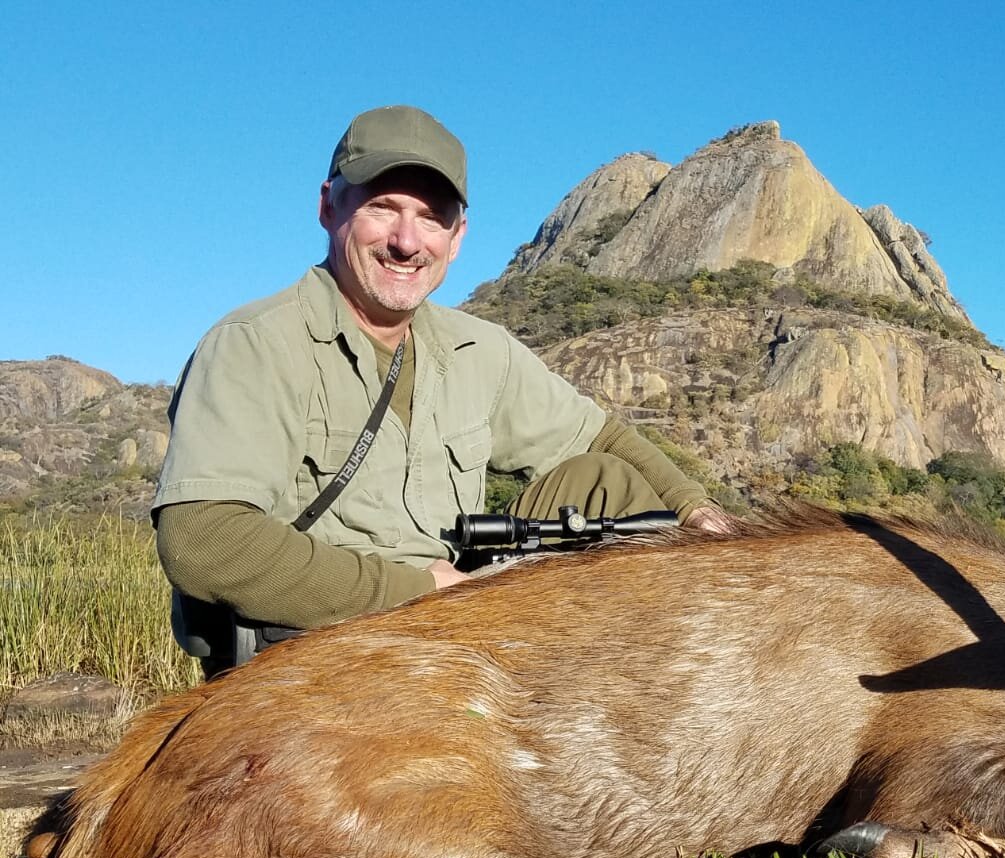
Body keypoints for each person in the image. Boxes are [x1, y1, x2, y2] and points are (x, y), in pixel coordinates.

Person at [155, 105, 734, 677]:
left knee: (607, 484)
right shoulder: (255, 344)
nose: (407, 242)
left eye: (432, 217)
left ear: (457, 238)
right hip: (319, 648)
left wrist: (699, 513)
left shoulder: (480, 350)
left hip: (452, 621)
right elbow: (203, 539)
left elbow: (602, 437)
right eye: (383, 207)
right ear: (329, 207)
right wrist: (415, 591)